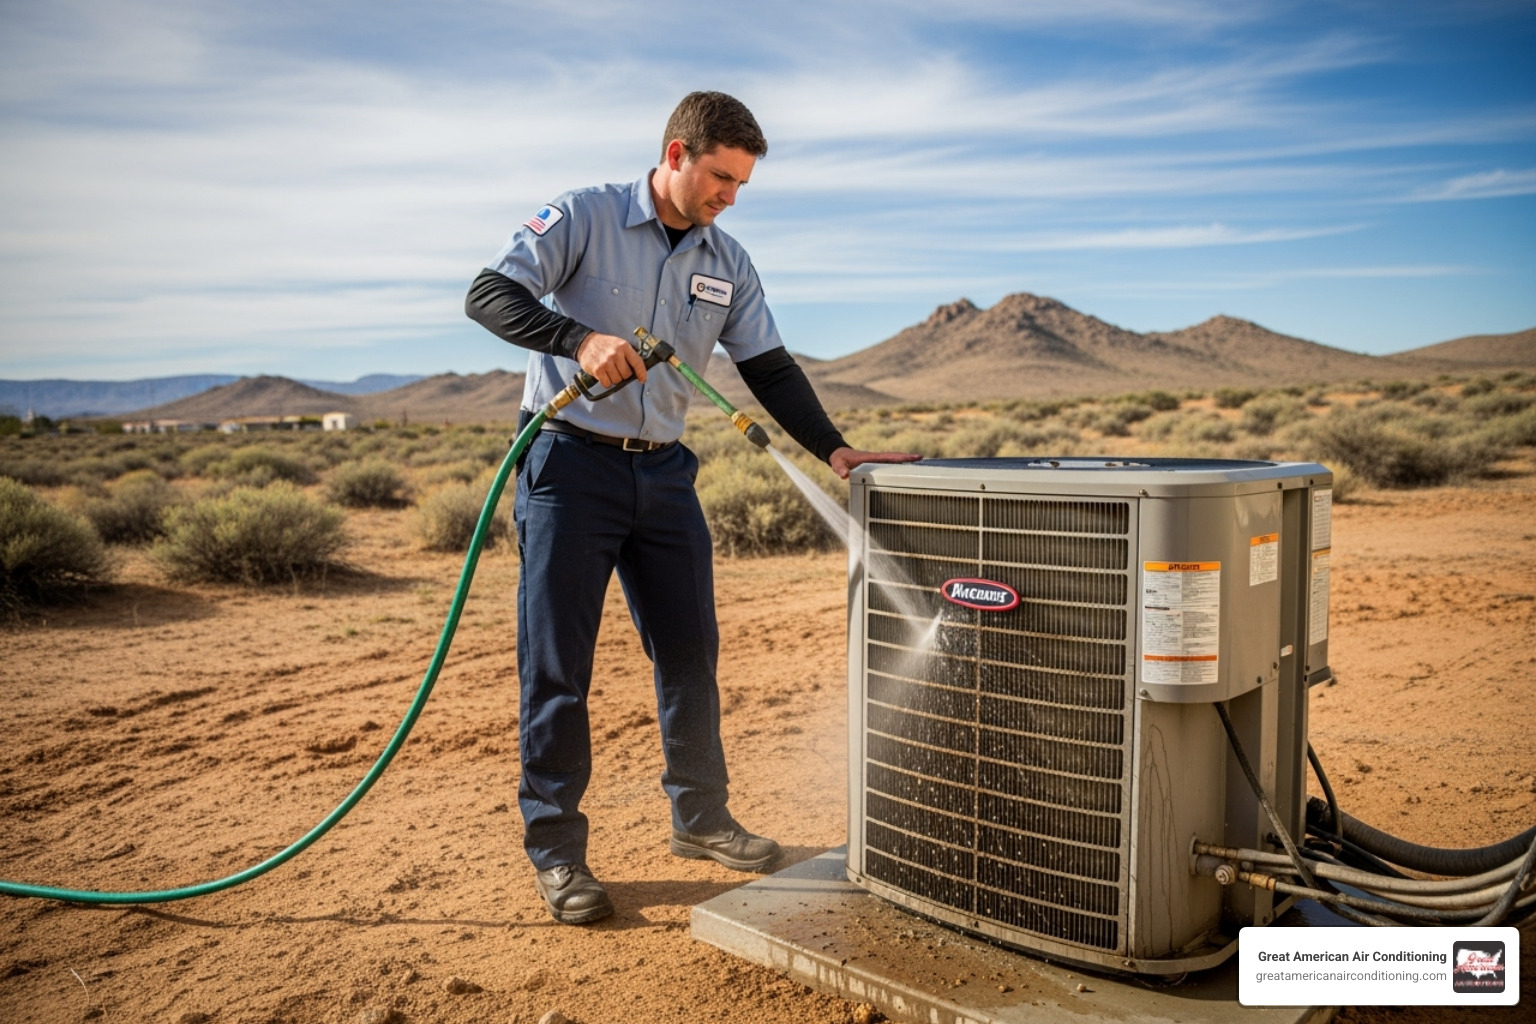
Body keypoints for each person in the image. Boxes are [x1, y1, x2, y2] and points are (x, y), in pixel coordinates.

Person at [465, 91, 919, 925]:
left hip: (666, 476)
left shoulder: (728, 259)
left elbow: (770, 365)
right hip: (567, 465)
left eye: (742, 184)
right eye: (720, 177)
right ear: (676, 153)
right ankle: (558, 851)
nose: (729, 197)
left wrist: (836, 448)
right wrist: (578, 340)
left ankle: (701, 818)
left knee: (689, 654)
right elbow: (488, 295)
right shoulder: (582, 216)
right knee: (558, 669)